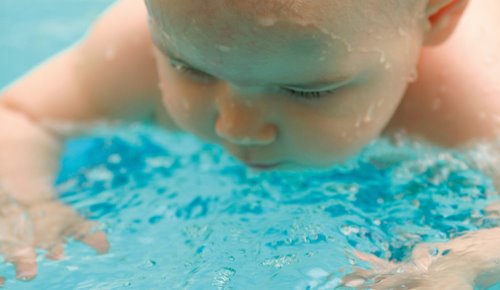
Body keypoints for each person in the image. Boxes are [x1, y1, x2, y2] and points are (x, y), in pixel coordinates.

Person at [1, 0, 500, 287]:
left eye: (307, 90)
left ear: (434, 17)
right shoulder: (135, 44)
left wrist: (460, 258)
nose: (235, 127)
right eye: (188, 67)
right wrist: (23, 195)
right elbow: (18, 115)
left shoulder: (473, 100)